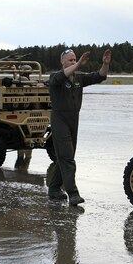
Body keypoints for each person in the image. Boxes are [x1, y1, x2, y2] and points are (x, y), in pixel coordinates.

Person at [47, 48, 111, 205]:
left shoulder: (78, 78)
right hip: (59, 119)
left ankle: (54, 188)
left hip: (73, 120)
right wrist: (79, 64)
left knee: (65, 157)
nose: (74, 62)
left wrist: (106, 64)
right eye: (70, 60)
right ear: (62, 61)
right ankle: (73, 194)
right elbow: (62, 76)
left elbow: (100, 76)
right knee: (67, 157)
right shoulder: (55, 77)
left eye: (75, 59)